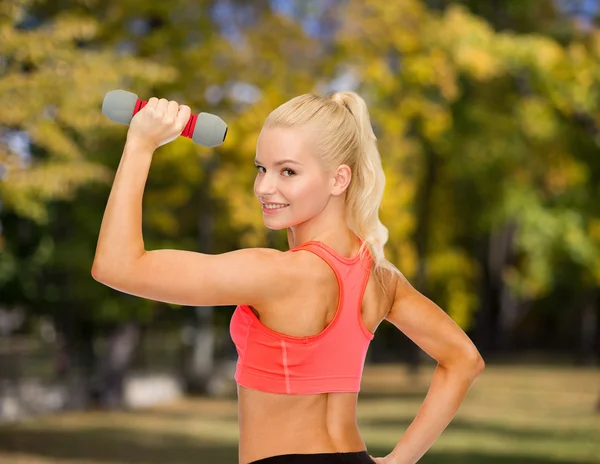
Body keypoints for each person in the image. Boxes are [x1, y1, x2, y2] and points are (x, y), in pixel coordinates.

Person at [91, 91, 485, 464]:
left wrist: (141, 144)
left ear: (339, 179)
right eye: (262, 168)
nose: (264, 187)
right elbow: (463, 360)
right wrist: (401, 459)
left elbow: (116, 266)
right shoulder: (380, 277)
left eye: (288, 171)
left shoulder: (278, 274)